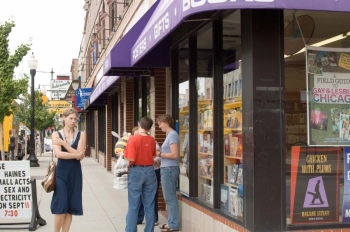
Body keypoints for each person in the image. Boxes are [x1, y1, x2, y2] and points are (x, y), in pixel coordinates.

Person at [51, 108, 86, 232]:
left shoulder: (81, 134)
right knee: (61, 206)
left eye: (75, 119)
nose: (73, 121)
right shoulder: (56, 134)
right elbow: (59, 154)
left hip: (75, 173)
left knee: (70, 207)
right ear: (64, 118)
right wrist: (76, 155)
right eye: (70, 118)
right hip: (61, 173)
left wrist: (64, 144)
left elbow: (80, 155)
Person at [124, 117, 157, 232]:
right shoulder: (152, 140)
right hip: (150, 171)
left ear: (139, 125)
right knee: (150, 204)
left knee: (133, 204)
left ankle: (131, 230)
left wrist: (123, 155)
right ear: (150, 127)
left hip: (136, 170)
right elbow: (153, 154)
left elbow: (131, 158)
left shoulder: (133, 139)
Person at [156, 114, 180, 232]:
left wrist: (159, 154)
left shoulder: (172, 135)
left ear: (166, 122)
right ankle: (171, 222)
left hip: (169, 169)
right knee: (168, 198)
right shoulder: (170, 135)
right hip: (167, 168)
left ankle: (173, 225)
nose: (159, 126)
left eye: (160, 123)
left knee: (170, 198)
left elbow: (175, 155)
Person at [137, 140, 162, 226]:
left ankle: (153, 218)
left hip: (153, 170)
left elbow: (159, 158)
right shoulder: (135, 142)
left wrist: (151, 160)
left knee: (152, 195)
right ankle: (139, 218)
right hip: (139, 171)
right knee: (139, 194)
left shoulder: (153, 143)